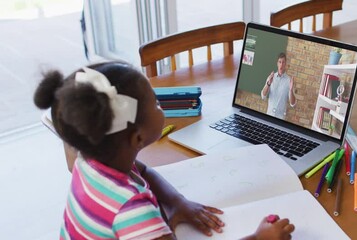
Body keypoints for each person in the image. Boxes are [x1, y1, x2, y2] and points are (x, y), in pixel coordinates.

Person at [33, 61, 295, 239]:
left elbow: (143, 172)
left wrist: (177, 201)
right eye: (157, 104)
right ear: (137, 138)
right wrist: (259, 237)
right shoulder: (133, 211)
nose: (161, 108)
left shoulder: (89, 160)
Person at [261, 53, 296, 120]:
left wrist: (291, 91)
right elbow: (263, 96)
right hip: (269, 115)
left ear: (285, 64)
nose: (281, 64)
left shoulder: (289, 81)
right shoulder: (271, 77)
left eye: (283, 62)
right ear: (277, 63)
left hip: (280, 119)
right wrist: (268, 84)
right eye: (280, 62)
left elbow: (293, 104)